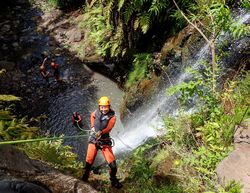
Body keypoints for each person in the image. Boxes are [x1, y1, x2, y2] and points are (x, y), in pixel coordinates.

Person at [82, 96, 122, 189]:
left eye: (106, 107)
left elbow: (109, 127)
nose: (104, 109)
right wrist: (92, 127)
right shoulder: (96, 112)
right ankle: (86, 175)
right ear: (99, 107)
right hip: (93, 139)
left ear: (109, 106)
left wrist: (101, 132)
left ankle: (113, 179)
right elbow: (92, 116)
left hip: (104, 141)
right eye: (102, 107)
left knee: (113, 166)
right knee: (88, 162)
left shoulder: (112, 116)